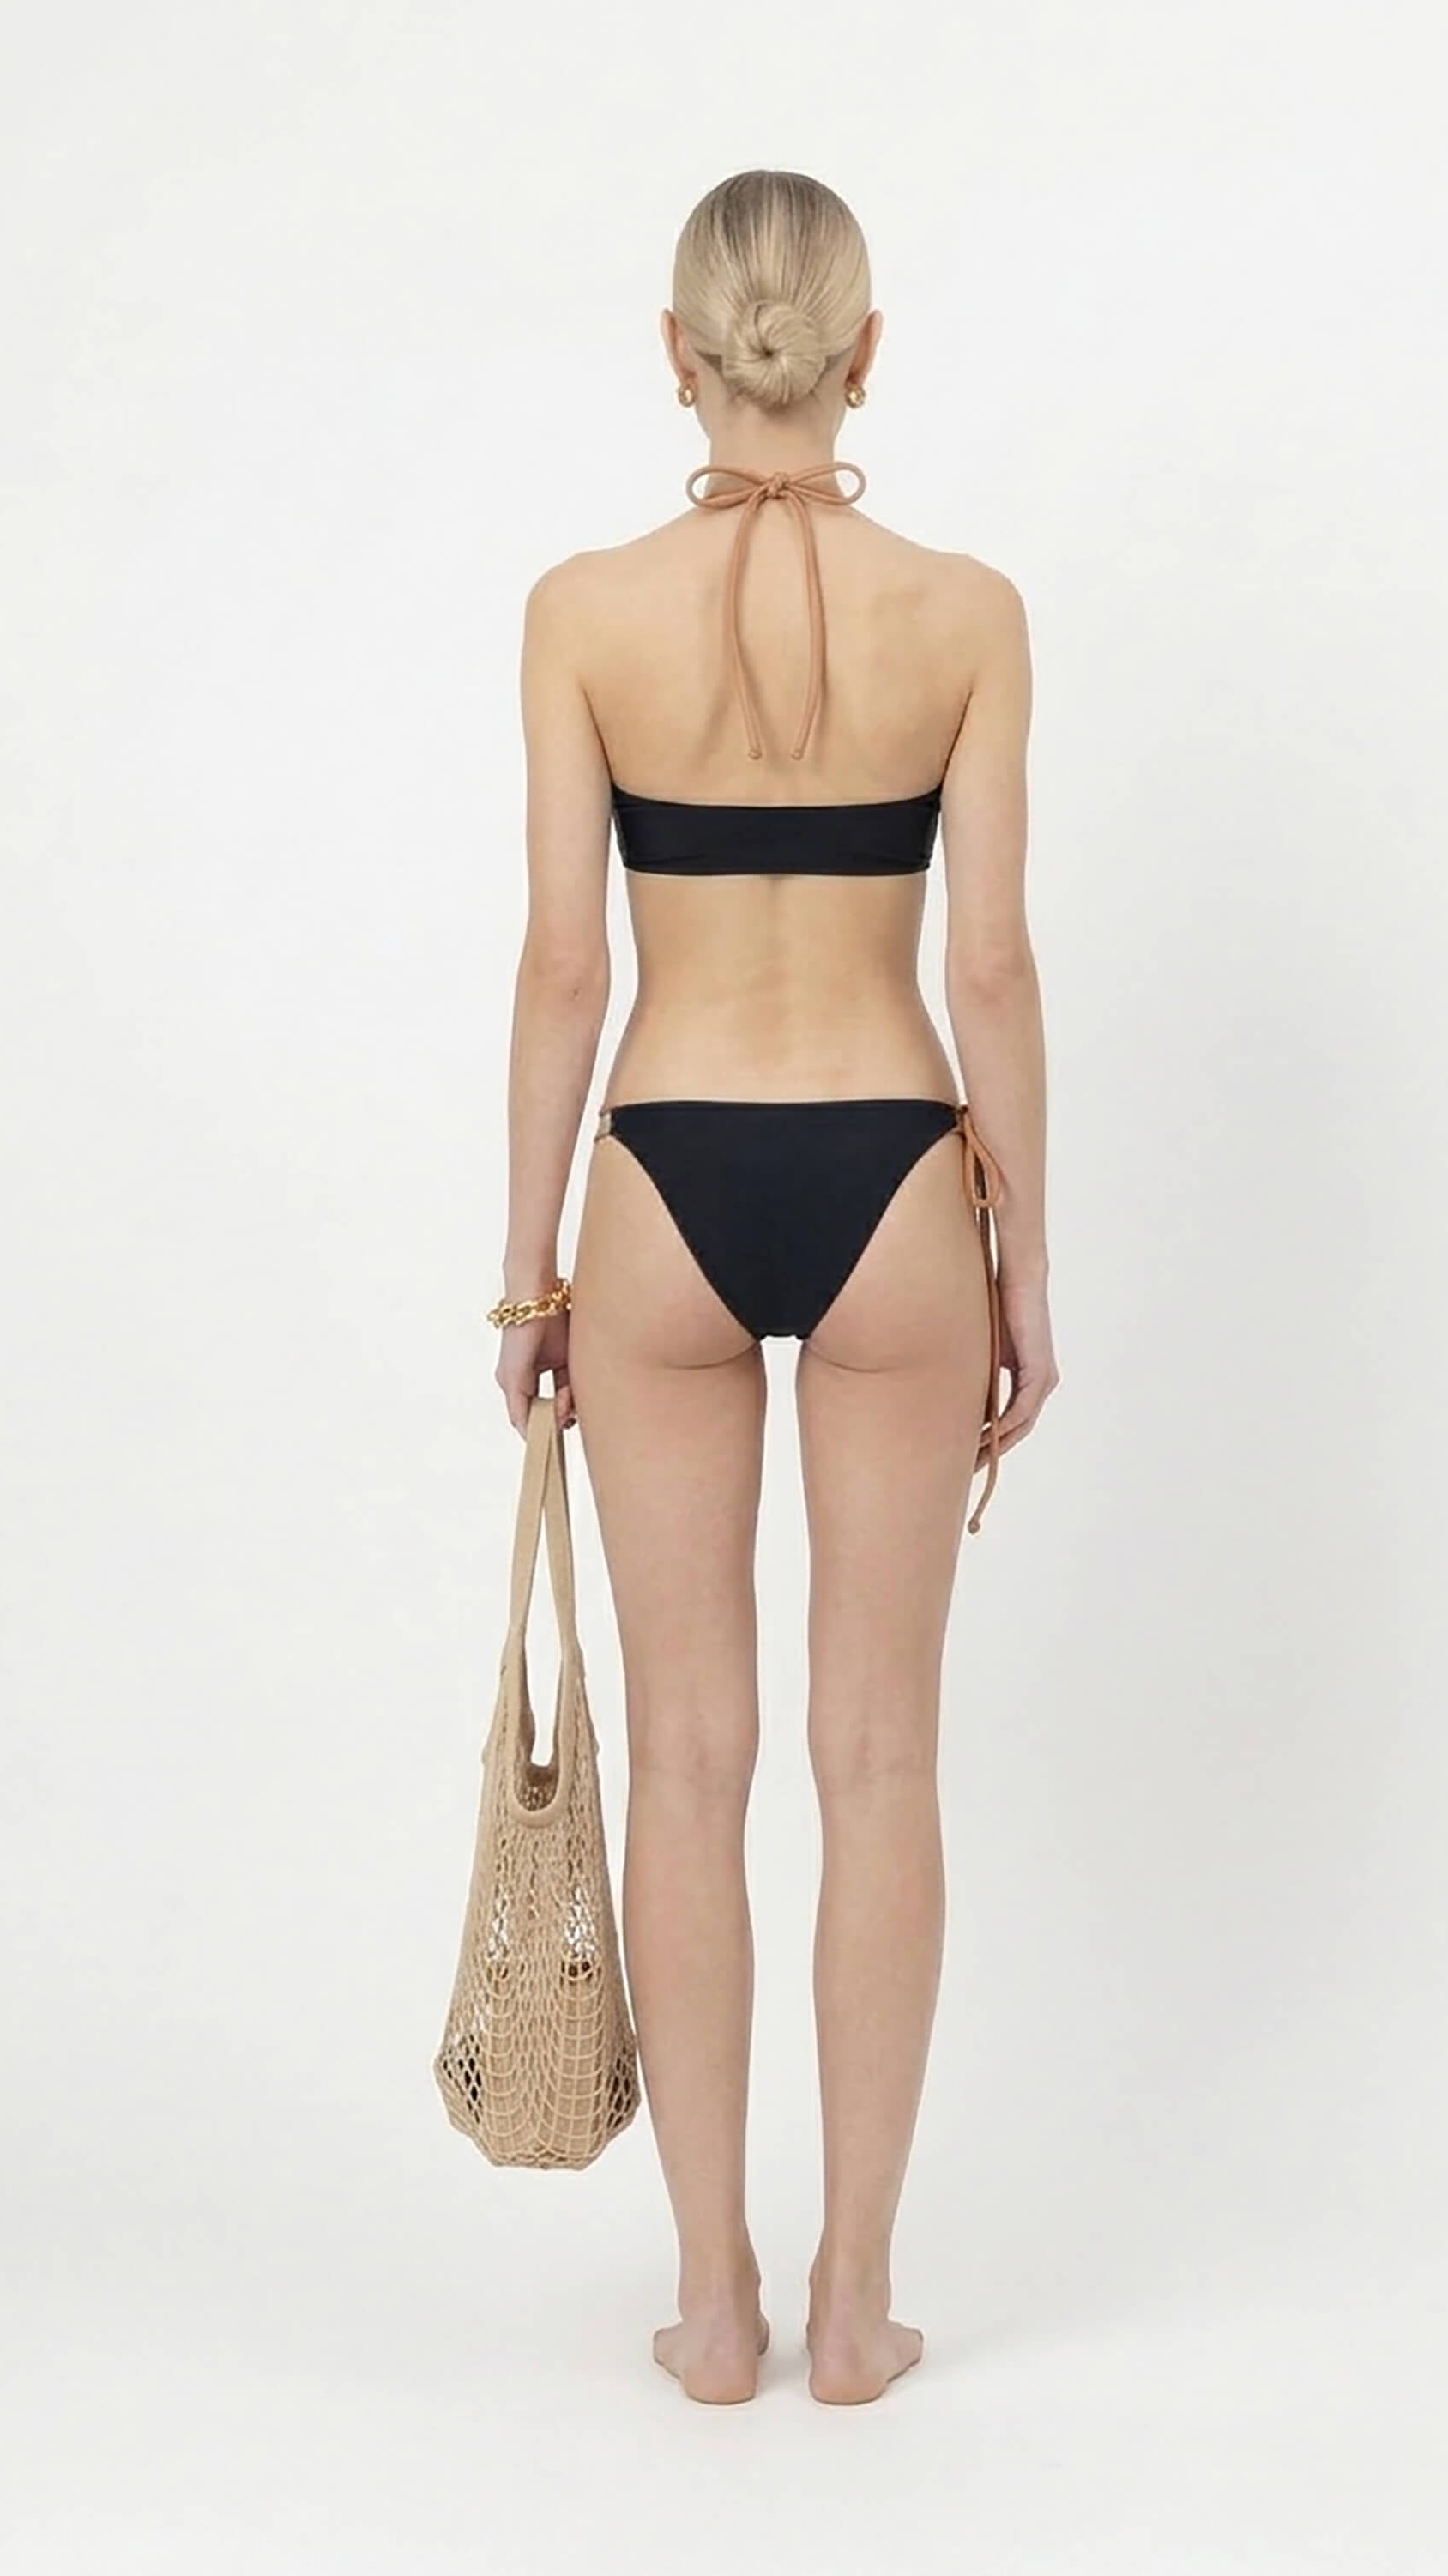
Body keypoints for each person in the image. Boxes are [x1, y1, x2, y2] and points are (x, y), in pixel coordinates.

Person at [489, 168, 1059, 2405]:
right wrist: (1030, 1255)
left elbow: (563, 966)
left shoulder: (581, 612)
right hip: (899, 1173)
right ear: (865, 353)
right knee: (880, 1753)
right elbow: (991, 967)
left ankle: (713, 2305)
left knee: (695, 1759)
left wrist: (524, 1275)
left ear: (679, 356)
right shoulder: (969, 614)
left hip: (664, 1178)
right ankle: (856, 2307)